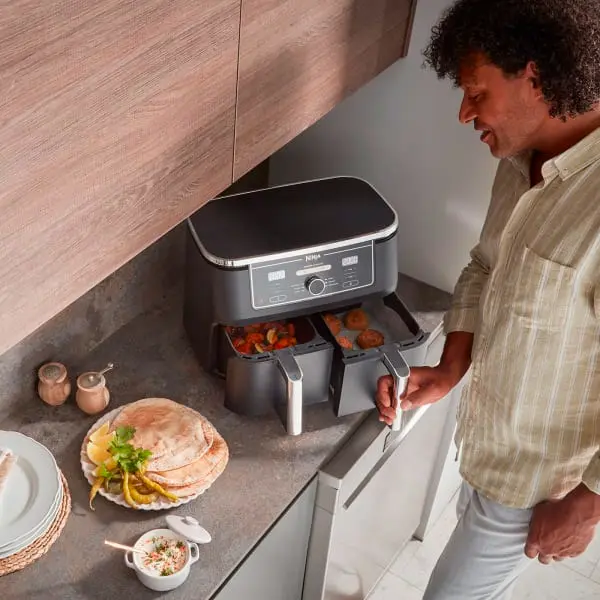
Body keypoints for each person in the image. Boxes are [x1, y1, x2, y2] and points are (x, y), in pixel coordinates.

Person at [375, 1, 600, 598]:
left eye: (477, 92)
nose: (464, 113)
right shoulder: (523, 158)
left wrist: (589, 502)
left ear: (534, 76)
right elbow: (485, 266)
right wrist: (452, 366)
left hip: (537, 486)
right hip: (487, 446)